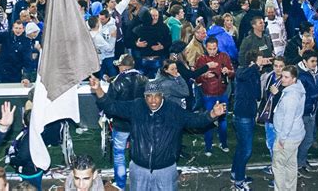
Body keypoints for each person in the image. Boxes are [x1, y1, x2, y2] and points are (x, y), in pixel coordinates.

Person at [90, 76, 226, 191]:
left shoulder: (174, 110)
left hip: (166, 171)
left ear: (163, 96)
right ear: (144, 96)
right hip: (139, 169)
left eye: (156, 96)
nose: (153, 100)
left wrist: (212, 114)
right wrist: (98, 89)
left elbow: (195, 120)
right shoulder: (136, 106)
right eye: (149, 96)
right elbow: (112, 106)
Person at [106, 54, 147, 191]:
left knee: (119, 154)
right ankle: (139, 185)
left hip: (121, 123)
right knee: (139, 154)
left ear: (123, 66)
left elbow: (109, 105)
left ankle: (121, 185)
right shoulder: (144, 80)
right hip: (140, 123)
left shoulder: (117, 82)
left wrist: (109, 116)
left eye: (119, 65)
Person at [195, 36, 235, 156]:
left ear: (217, 47)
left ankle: (224, 143)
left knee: (223, 120)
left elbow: (233, 73)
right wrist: (204, 76)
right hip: (208, 94)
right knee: (208, 120)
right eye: (210, 48)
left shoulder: (224, 56)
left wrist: (228, 72)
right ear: (205, 48)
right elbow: (196, 77)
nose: (212, 51)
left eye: (214, 48)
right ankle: (208, 146)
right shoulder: (201, 59)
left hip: (222, 93)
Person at [231, 50, 264, 191]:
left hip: (249, 114)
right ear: (253, 61)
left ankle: (236, 173)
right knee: (246, 150)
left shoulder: (254, 73)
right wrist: (255, 67)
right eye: (260, 60)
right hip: (242, 115)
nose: (262, 63)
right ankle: (239, 181)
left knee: (241, 147)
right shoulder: (242, 70)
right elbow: (241, 76)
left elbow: (257, 95)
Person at [272, 66, 306, 191]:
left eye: (286, 77)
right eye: (282, 76)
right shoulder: (297, 89)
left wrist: (282, 138)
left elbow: (288, 119)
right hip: (296, 134)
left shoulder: (291, 97)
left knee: (278, 166)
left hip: (288, 136)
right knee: (291, 164)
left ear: (294, 79)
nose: (283, 79)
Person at [297, 50, 318, 174]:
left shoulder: (314, 72)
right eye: (312, 61)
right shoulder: (301, 76)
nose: (315, 64)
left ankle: (302, 161)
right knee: (307, 139)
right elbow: (302, 98)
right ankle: (299, 163)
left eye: (316, 61)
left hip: (313, 110)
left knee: (308, 139)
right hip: (305, 112)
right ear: (304, 61)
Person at [7, 110, 43, 191]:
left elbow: (22, 158)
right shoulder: (37, 132)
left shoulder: (27, 137)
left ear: (23, 121)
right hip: (36, 169)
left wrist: (12, 160)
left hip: (30, 172)